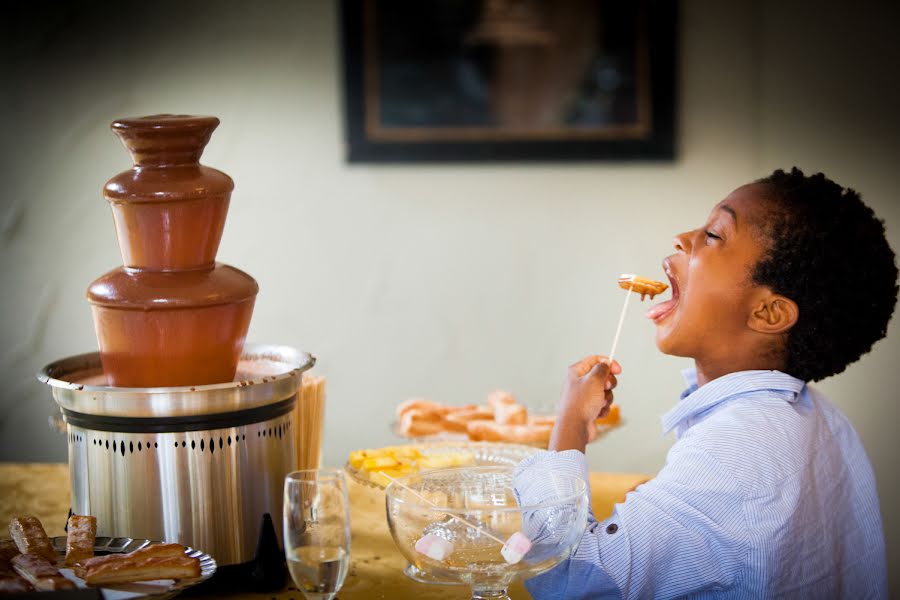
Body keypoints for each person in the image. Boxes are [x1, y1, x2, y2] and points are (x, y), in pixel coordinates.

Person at [514, 168, 896, 599]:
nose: (682, 236)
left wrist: (567, 429)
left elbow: (570, 582)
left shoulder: (740, 446)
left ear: (768, 313)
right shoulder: (817, 415)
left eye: (714, 235)